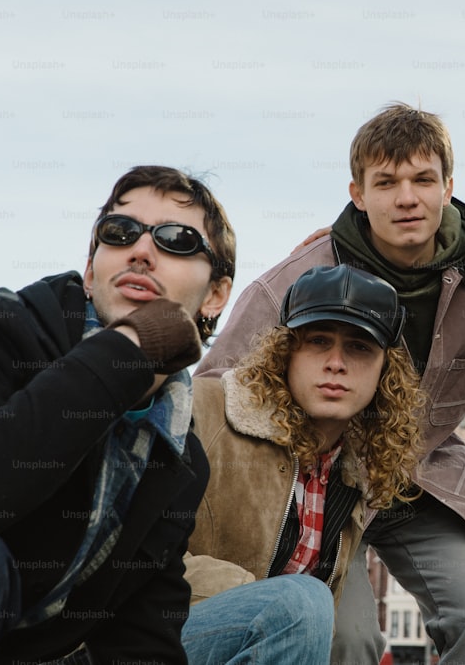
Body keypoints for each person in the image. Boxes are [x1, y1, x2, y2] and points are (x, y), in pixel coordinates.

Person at [194, 102, 465, 664]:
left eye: (423, 179)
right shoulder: (297, 282)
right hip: (323, 479)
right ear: (357, 194)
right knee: (345, 637)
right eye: (386, 182)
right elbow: (217, 387)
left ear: (449, 187)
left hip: (424, 474)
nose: (407, 198)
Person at [0, 165, 235, 664]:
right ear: (92, 269)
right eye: (119, 233)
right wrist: (129, 349)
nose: (141, 251)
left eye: (176, 240)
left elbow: (140, 635)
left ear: (215, 295)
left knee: (289, 606)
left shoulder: (178, 457)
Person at [181, 264, 425, 665]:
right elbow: (137, 557)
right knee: (303, 601)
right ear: (286, 352)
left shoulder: (353, 475)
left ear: (386, 372)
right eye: (317, 340)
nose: (335, 363)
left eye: (360, 346)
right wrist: (266, 599)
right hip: (144, 640)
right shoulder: (202, 410)